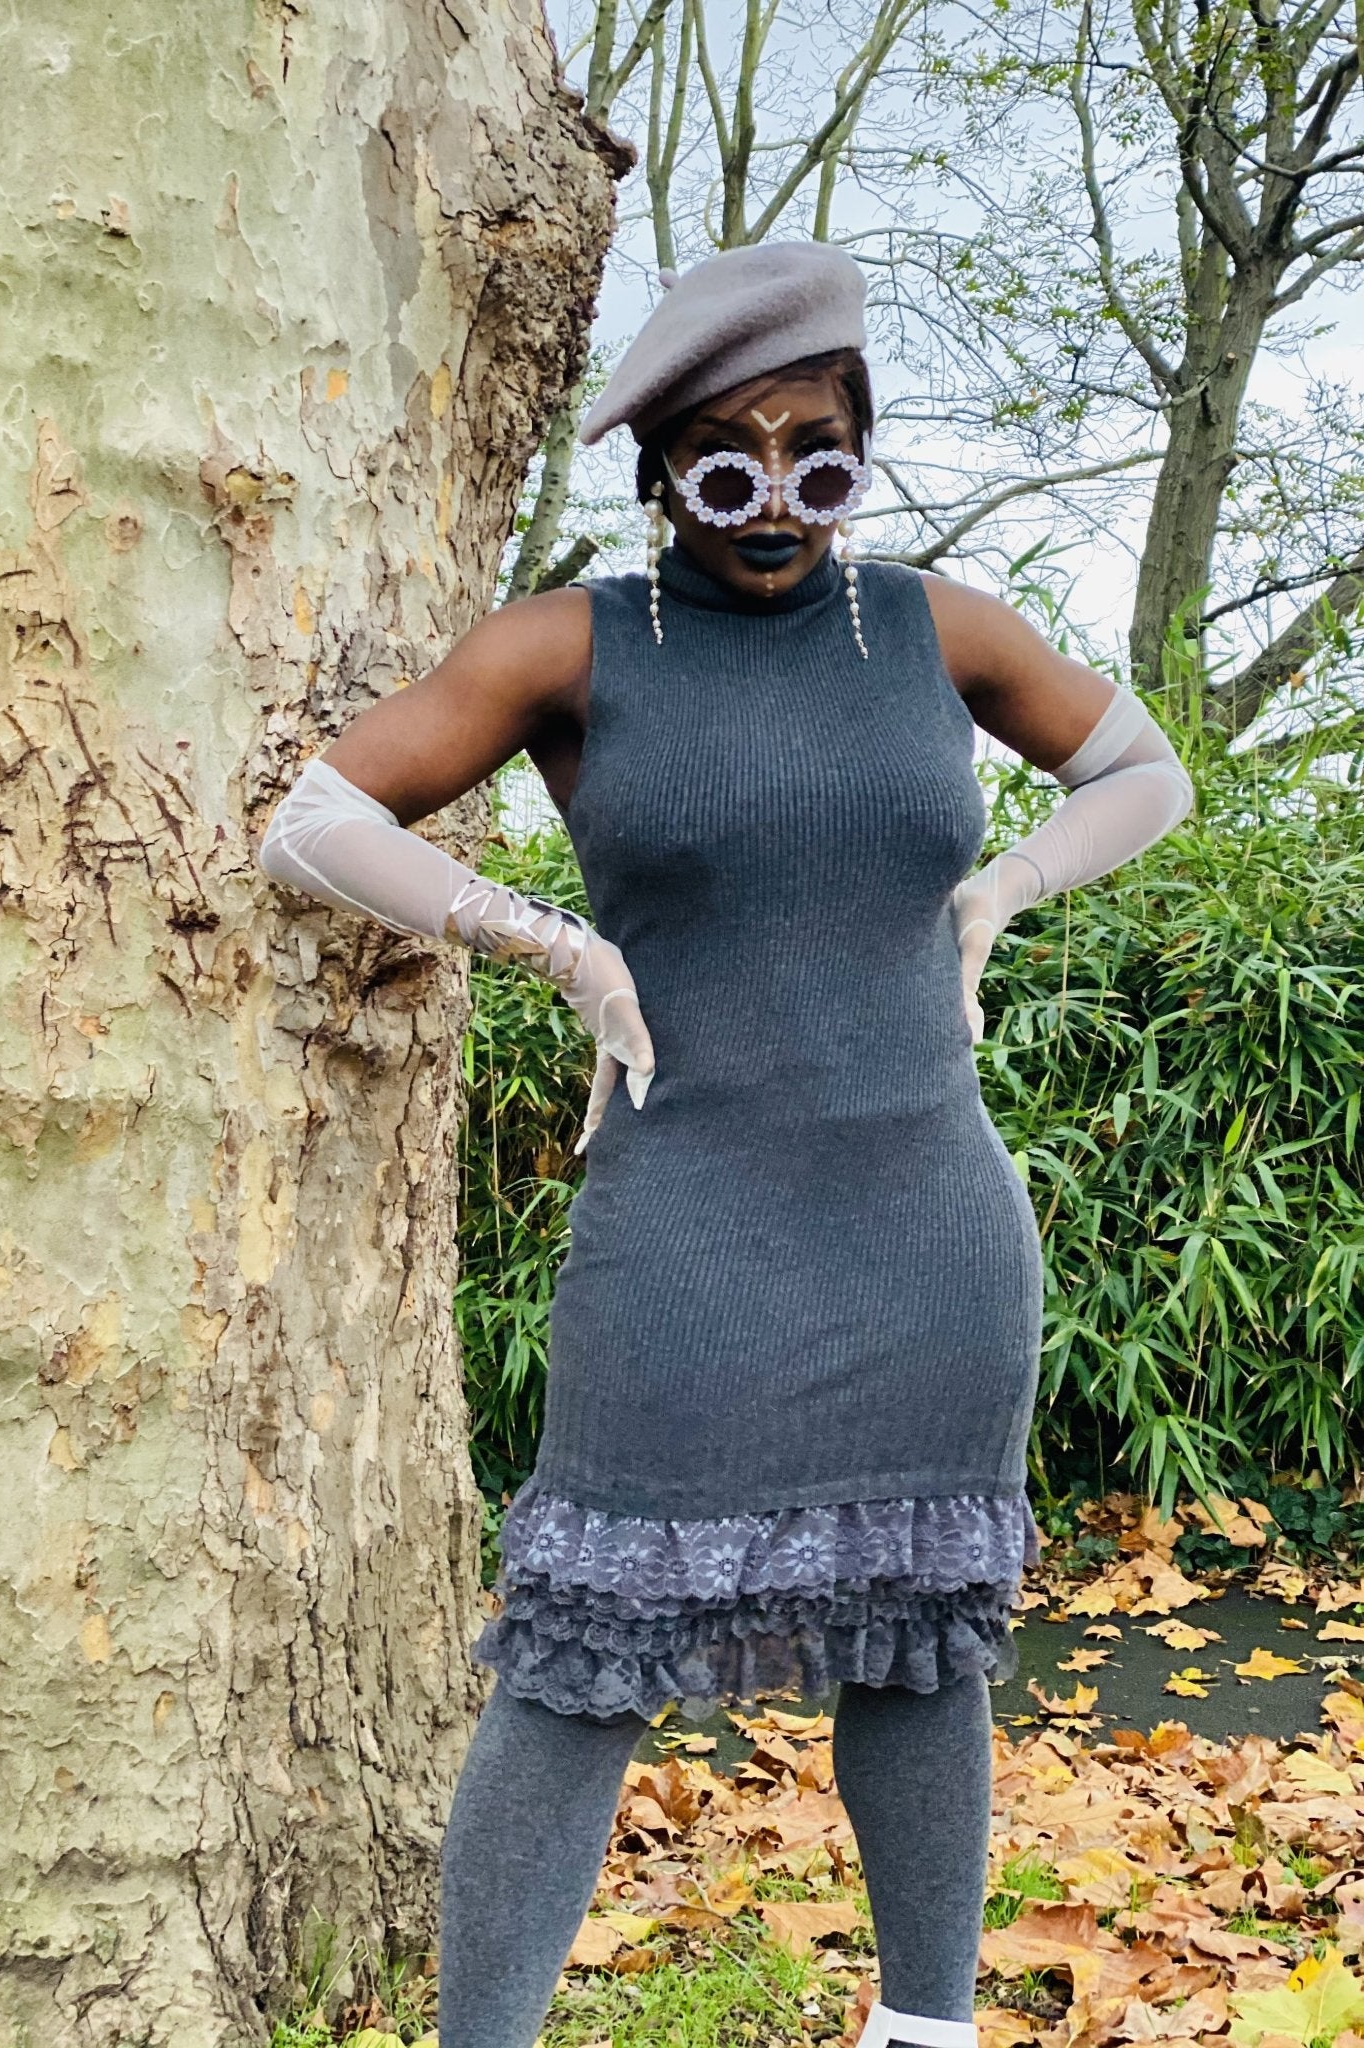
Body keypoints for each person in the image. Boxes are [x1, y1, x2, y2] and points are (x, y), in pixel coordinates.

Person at [257, 241, 1194, 2048]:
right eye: (725, 462)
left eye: (816, 459)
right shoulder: (572, 643)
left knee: (920, 1643)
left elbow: (1145, 768)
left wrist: (1006, 886)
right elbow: (314, 818)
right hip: (683, 1222)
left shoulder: (935, 627)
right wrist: (549, 941)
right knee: (578, 1662)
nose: (773, 499)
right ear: (658, 466)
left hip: (930, 1225)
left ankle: (925, 2028)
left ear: (858, 452)